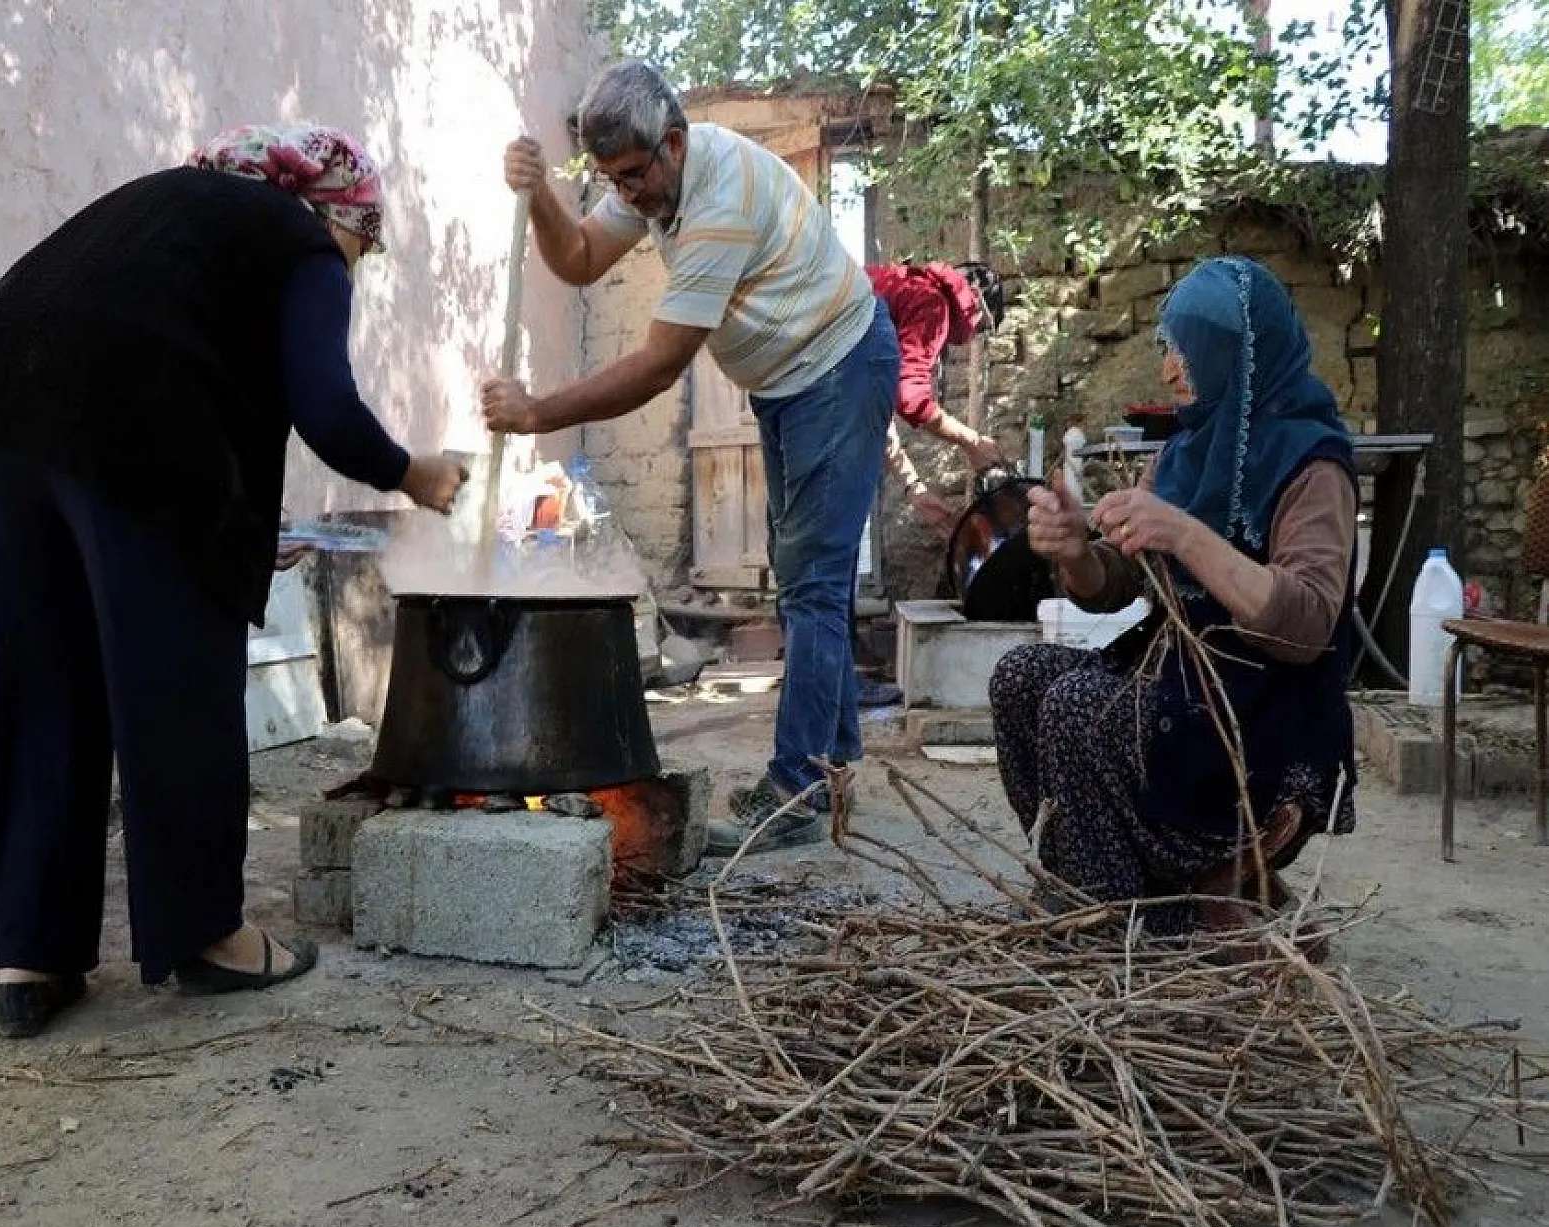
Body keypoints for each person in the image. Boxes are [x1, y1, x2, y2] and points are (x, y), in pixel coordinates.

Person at [0, 124, 470, 1038]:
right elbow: (327, 409)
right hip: (121, 417)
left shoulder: (165, 212)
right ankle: (208, 936)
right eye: (365, 246)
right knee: (175, 674)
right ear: (341, 214)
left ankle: (32, 956)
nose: (358, 268)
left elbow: (179, 365)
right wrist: (416, 474)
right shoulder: (300, 240)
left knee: (41, 681)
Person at [480, 60, 898, 854]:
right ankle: (832, 768)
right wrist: (539, 196)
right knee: (812, 577)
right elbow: (576, 261)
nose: (627, 194)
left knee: (810, 580)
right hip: (786, 380)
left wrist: (539, 411)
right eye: (612, 180)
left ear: (672, 144)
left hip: (839, 367)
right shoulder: (655, 176)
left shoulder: (717, 200)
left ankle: (798, 790)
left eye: (634, 176)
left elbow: (659, 364)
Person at [987, 256, 1357, 937]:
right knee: (1020, 678)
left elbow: (1306, 624)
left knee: (1080, 709)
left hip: (1260, 714)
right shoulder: (1187, 452)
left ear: (1236, 355)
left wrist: (1186, 534)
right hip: (1178, 687)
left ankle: (1127, 931)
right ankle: (1101, 888)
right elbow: (1118, 585)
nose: (1169, 370)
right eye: (1169, 350)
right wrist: (1075, 554)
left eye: (1186, 351)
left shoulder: (1312, 464)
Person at [870, 260, 1007, 540]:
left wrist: (914, 487)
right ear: (977, 304)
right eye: (981, 329)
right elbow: (911, 400)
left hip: (789, 386)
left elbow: (875, 406)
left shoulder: (905, 288)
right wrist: (972, 441)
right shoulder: (932, 303)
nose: (971, 338)